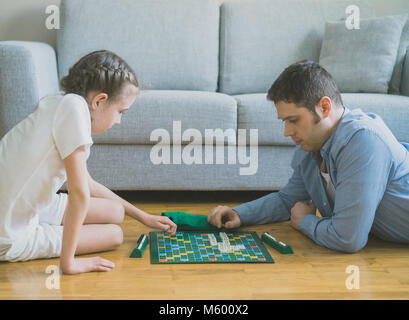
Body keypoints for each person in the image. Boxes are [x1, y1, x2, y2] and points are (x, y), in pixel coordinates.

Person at [0, 50, 177, 274]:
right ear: (100, 101)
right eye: (120, 112)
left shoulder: (62, 103)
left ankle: (53, 226)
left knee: (115, 212)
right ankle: (54, 239)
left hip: (20, 207)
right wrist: (69, 263)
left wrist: (144, 217)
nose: (118, 121)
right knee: (115, 234)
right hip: (9, 234)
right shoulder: (74, 110)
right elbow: (80, 194)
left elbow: (88, 185)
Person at [208, 60, 409, 253]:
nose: (287, 132)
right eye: (284, 121)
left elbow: (348, 238)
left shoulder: (363, 140)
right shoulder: (312, 144)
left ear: (324, 108)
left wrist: (305, 221)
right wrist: (241, 214)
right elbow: (288, 201)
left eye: (293, 120)